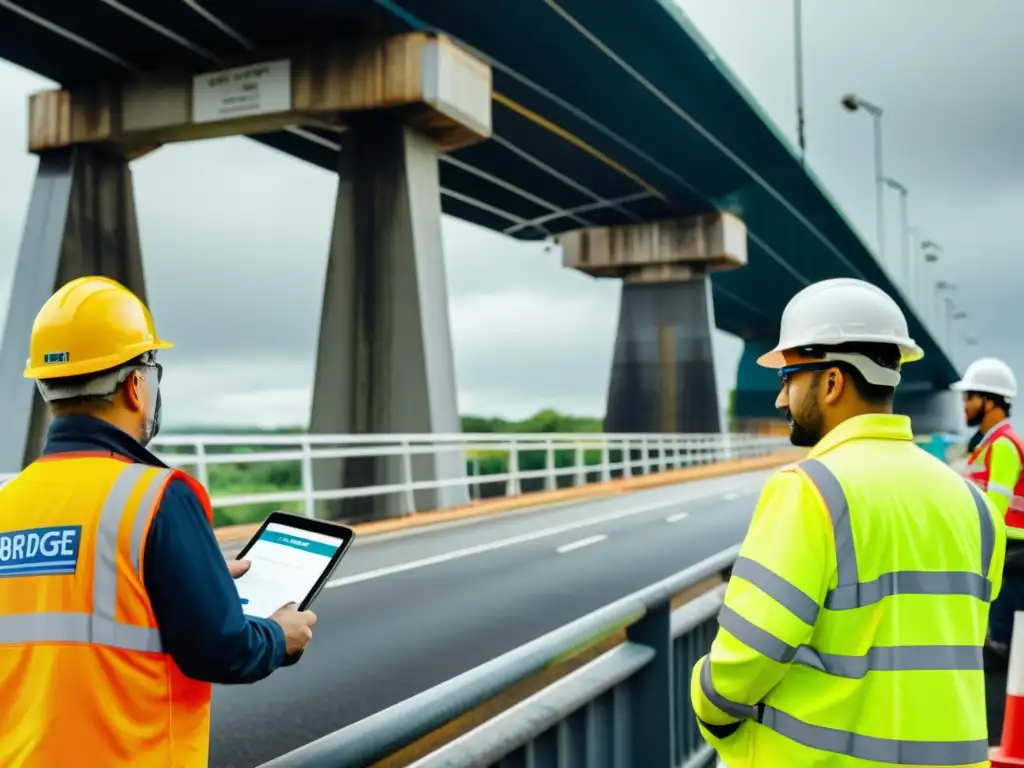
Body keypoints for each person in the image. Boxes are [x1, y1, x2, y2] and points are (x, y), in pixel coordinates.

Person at [0, 276, 319, 767]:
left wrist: (193, 577)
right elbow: (221, 649)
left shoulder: (9, 502)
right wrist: (281, 637)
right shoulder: (158, 496)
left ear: (46, 389)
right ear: (135, 386)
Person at [690, 277, 1006, 766]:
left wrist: (707, 702)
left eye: (788, 379)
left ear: (832, 381)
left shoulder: (810, 489)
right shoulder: (975, 505)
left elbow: (745, 658)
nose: (780, 400)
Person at [952, 356, 1024, 743]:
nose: (964, 405)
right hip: (1002, 560)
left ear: (991, 400)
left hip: (1012, 563)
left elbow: (992, 515)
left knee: (999, 653)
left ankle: (997, 740)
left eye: (970, 397)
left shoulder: (1005, 447)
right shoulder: (989, 446)